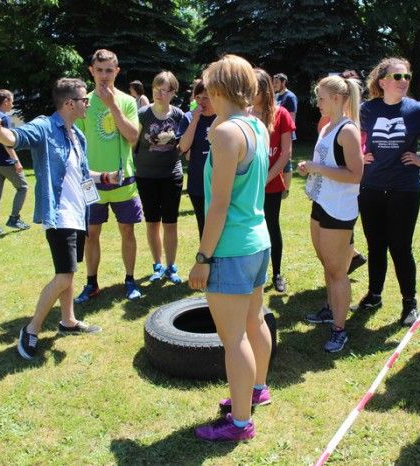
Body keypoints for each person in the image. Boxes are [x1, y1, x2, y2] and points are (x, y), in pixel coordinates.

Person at [0, 78, 122, 360]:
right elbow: (17, 138)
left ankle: (68, 321)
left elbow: (81, 173)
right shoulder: (45, 126)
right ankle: (31, 329)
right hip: (60, 216)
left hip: (78, 214)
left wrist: (104, 177)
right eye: (84, 100)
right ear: (69, 103)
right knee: (64, 275)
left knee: (69, 272)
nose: (87, 104)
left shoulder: (78, 135)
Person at [188, 54, 272, 442]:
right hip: (257, 242)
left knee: (234, 338)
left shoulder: (226, 134)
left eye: (207, 85)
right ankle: (256, 390)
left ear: (218, 87)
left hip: (232, 248)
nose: (203, 93)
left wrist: (203, 258)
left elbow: (218, 205)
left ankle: (240, 424)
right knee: (255, 322)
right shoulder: (256, 126)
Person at [356, 57, 420, 326]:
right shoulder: (367, 109)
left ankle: (410, 303)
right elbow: (352, 135)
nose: (404, 81)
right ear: (382, 82)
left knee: (400, 247)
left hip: (404, 190)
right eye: (398, 76)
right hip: (371, 187)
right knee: (375, 245)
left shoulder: (416, 110)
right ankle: (374, 295)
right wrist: (360, 155)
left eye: (407, 76)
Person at [300, 76, 363, 352]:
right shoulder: (327, 126)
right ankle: (330, 308)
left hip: (338, 209)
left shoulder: (347, 131)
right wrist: (312, 168)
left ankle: (340, 329)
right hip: (321, 203)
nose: (318, 103)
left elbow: (356, 174)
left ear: (337, 98)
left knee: (337, 271)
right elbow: (326, 163)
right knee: (327, 263)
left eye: (321, 98)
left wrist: (317, 168)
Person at [74, 49, 143, 303]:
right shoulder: (83, 102)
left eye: (109, 71)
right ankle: (91, 283)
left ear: (117, 71)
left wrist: (113, 104)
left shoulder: (126, 101)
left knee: (127, 230)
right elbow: (77, 143)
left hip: (124, 181)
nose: (104, 76)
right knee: (91, 234)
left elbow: (133, 137)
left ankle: (130, 280)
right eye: (99, 70)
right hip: (91, 181)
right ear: (91, 71)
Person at [135, 71, 186, 284]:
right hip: (145, 175)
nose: (160, 94)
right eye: (157, 88)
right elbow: (133, 143)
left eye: (165, 90)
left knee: (170, 223)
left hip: (171, 175)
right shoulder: (143, 114)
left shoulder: (179, 116)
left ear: (173, 93)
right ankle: (157, 265)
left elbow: (183, 144)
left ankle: (171, 266)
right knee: (152, 223)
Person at [250, 68, 295, 293]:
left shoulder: (281, 114)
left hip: (271, 184)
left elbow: (286, 153)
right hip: (247, 186)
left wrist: (267, 178)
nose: (249, 93)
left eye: (253, 89)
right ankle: (252, 272)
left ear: (265, 90)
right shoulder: (244, 114)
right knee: (249, 228)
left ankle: (276, 273)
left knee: (271, 226)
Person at [0, 89, 30, 237]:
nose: (12, 105)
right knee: (23, 187)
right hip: (5, 162)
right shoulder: (3, 118)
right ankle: (14, 218)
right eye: (11, 101)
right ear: (5, 102)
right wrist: (16, 161)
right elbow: (7, 142)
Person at [177, 79, 216, 238]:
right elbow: (183, 147)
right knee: (204, 226)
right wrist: (194, 120)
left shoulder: (222, 117)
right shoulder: (188, 117)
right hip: (198, 182)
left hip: (220, 182)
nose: (201, 102)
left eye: (206, 98)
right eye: (198, 97)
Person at [273, 73, 297, 198]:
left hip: (286, 134)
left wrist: (287, 134)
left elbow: (291, 118)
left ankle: (286, 190)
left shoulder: (290, 97)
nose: (274, 84)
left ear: (283, 83)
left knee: (286, 161)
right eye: (274, 82)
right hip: (276, 134)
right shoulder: (276, 95)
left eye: (277, 82)